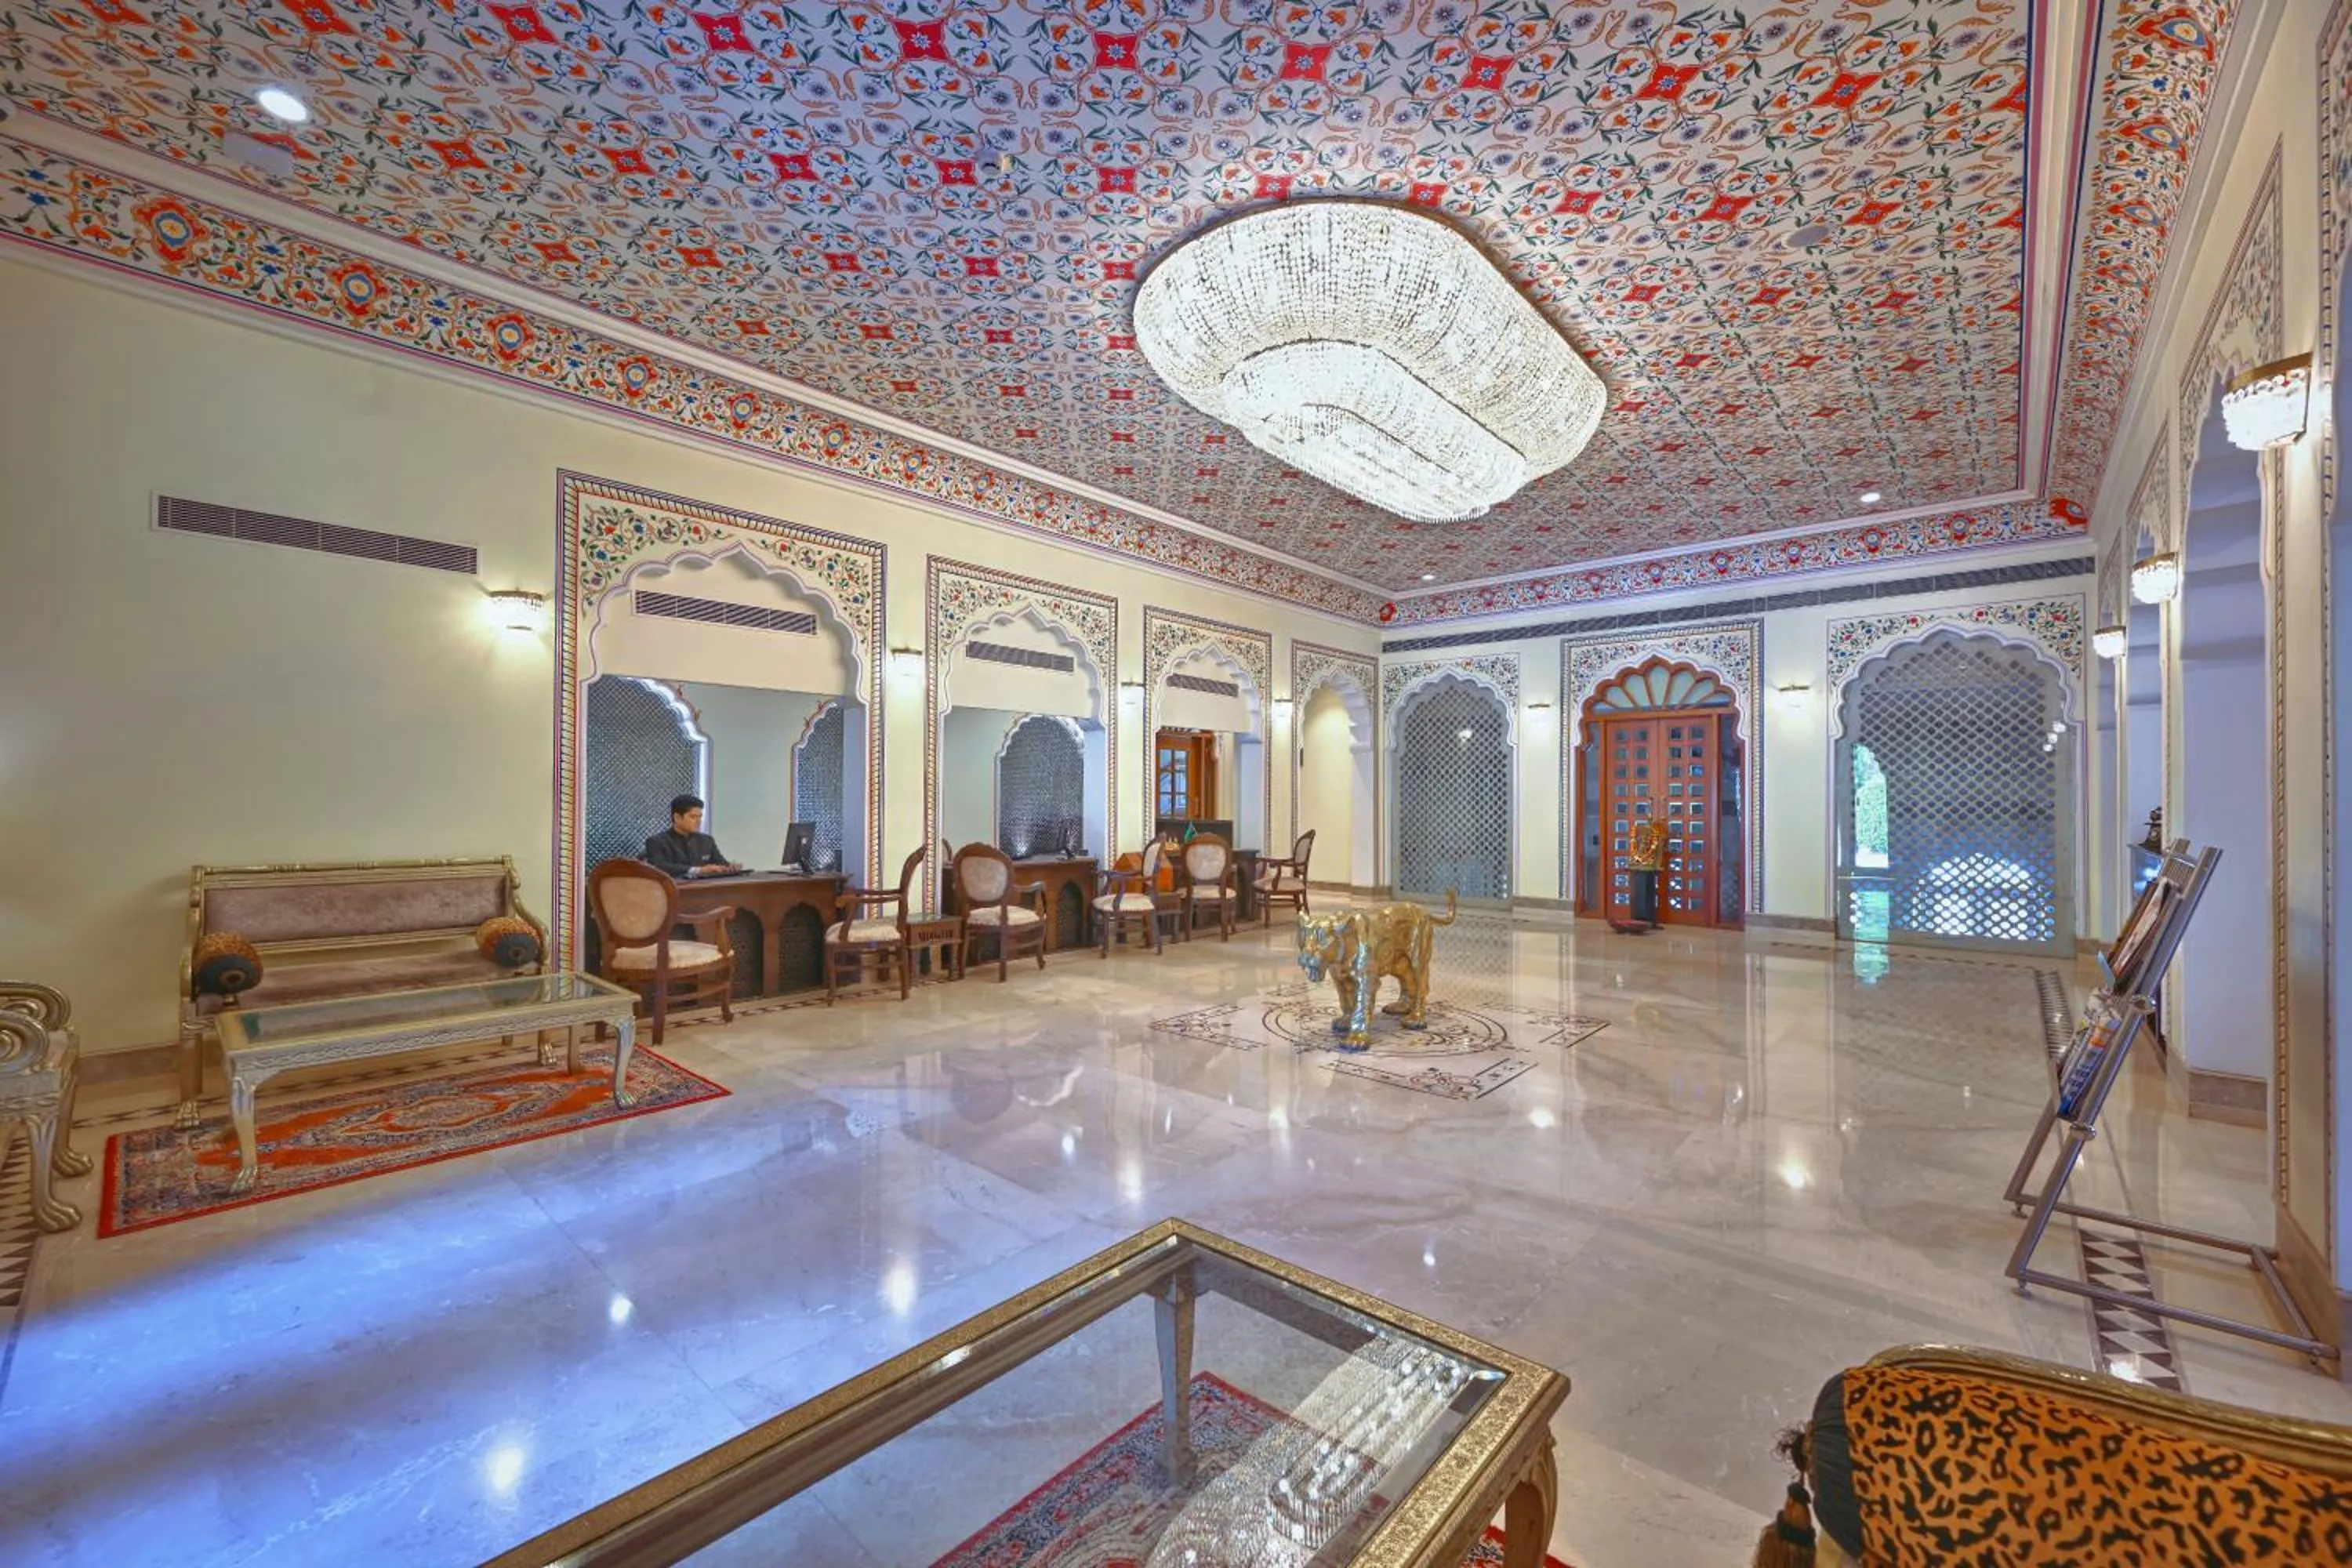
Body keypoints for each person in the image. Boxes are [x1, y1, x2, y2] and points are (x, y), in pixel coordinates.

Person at [644, 794, 742, 879]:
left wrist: (730, 867)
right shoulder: (657, 841)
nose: (699, 821)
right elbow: (660, 867)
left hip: (706, 892)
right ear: (677, 818)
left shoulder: (707, 841)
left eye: (700, 817)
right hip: (674, 893)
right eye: (693, 817)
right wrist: (698, 870)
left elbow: (720, 863)